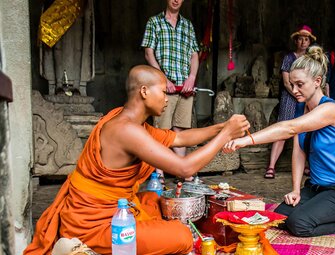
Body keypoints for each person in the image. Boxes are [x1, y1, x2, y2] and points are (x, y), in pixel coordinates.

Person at [24, 65, 250, 255]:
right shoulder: (126, 131)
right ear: (144, 91)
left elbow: (180, 137)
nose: (167, 99)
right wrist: (225, 136)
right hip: (93, 224)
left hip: (106, 208)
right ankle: (82, 248)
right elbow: (184, 167)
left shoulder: (130, 121)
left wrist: (223, 126)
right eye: (163, 92)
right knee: (182, 236)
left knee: (154, 200)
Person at [223, 46, 335, 237]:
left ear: (317, 81)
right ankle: (323, 209)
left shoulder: (330, 109)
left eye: (300, 84)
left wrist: (246, 140)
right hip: (319, 188)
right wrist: (295, 190)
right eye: (292, 84)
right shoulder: (303, 110)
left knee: (299, 224)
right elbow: (299, 152)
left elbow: (288, 128)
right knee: (279, 216)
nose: (294, 90)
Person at [141, 0, 199, 183]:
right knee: (161, 130)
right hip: (163, 87)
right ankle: (159, 173)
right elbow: (148, 52)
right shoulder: (154, 22)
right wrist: (163, 78)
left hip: (185, 88)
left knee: (180, 130)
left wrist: (192, 77)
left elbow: (194, 54)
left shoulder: (187, 25)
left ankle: (182, 170)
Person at [265, 25, 315, 179]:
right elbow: (287, 82)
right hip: (290, 98)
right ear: (296, 40)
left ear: (309, 42)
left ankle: (306, 166)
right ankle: (271, 166)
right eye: (301, 39)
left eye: (306, 39)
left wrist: (306, 96)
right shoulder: (289, 58)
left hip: (306, 99)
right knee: (282, 131)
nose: (303, 42)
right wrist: (297, 93)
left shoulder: (310, 60)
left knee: (305, 133)